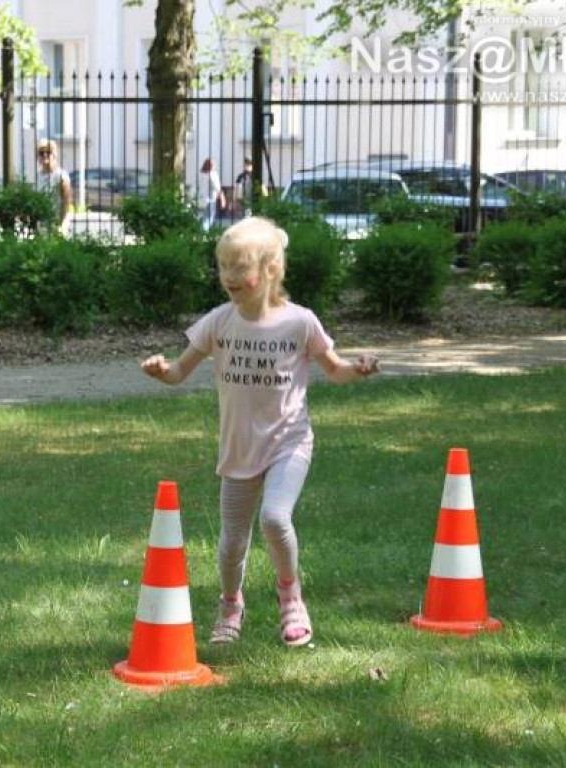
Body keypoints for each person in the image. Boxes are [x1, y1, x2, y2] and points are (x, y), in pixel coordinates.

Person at [139, 217, 380, 647]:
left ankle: (291, 599)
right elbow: (180, 371)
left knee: (274, 517)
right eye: (223, 267)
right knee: (232, 543)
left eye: (239, 267)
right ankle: (231, 604)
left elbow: (335, 370)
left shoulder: (300, 323)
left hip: (289, 442)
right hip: (239, 448)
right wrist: (162, 371)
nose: (229, 277)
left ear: (270, 269)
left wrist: (356, 370)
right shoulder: (217, 322)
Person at [36, 138, 72, 233]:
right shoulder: (37, 176)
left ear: (54, 154)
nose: (45, 155)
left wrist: (60, 223)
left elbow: (66, 201)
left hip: (58, 222)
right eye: (41, 153)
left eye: (48, 152)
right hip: (42, 223)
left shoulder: (61, 176)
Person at [200, 157, 225, 230]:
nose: (215, 165)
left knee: (204, 217)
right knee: (209, 217)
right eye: (214, 164)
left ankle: (203, 232)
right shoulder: (213, 174)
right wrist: (222, 197)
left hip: (201, 199)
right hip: (210, 199)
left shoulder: (201, 174)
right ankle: (204, 233)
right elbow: (217, 187)